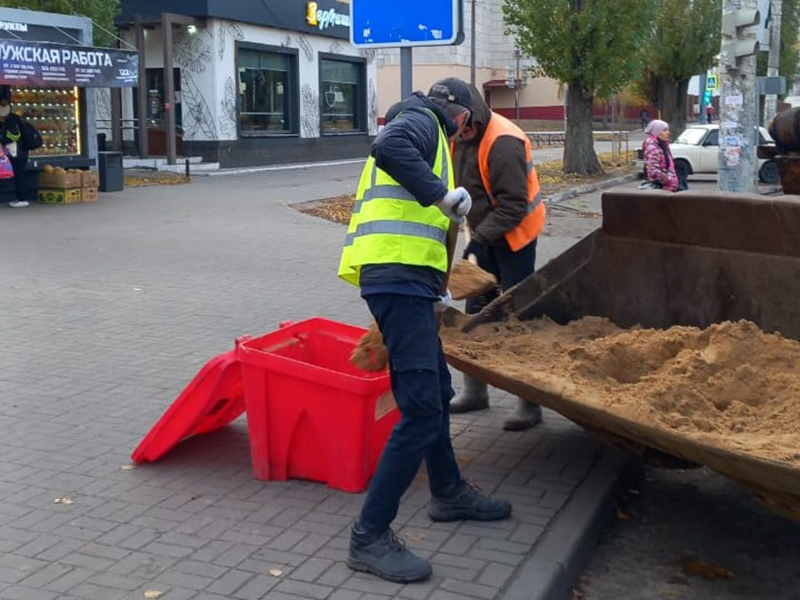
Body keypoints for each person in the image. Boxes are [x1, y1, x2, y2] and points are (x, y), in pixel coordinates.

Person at [338, 79, 512, 583]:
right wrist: (441, 195)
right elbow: (388, 145)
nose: (464, 133)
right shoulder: (421, 120)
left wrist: (437, 288)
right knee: (420, 410)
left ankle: (449, 492)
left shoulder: (430, 127)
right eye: (467, 123)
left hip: (409, 280)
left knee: (436, 389)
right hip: (397, 278)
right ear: (455, 111)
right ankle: (369, 536)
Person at [447, 80, 547, 431]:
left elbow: (513, 205)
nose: (454, 125)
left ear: (471, 114)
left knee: (514, 314)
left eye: (458, 118)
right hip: (483, 232)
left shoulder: (504, 141)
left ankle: (529, 404)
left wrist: (477, 244)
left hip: (515, 234)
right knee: (475, 310)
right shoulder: (456, 134)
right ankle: (475, 391)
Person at [0, 86, 29, 208]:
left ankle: (22, 199)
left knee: (18, 174)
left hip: (15, 151)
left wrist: (1, 139)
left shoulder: (10, 120)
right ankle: (21, 198)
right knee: (19, 174)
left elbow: (13, 136)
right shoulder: (14, 118)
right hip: (19, 150)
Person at [642, 119, 679, 192]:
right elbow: (652, 171)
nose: (668, 133)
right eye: (664, 130)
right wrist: (668, 179)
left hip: (666, 189)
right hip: (661, 190)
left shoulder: (662, 145)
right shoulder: (653, 148)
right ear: (656, 132)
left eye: (668, 130)